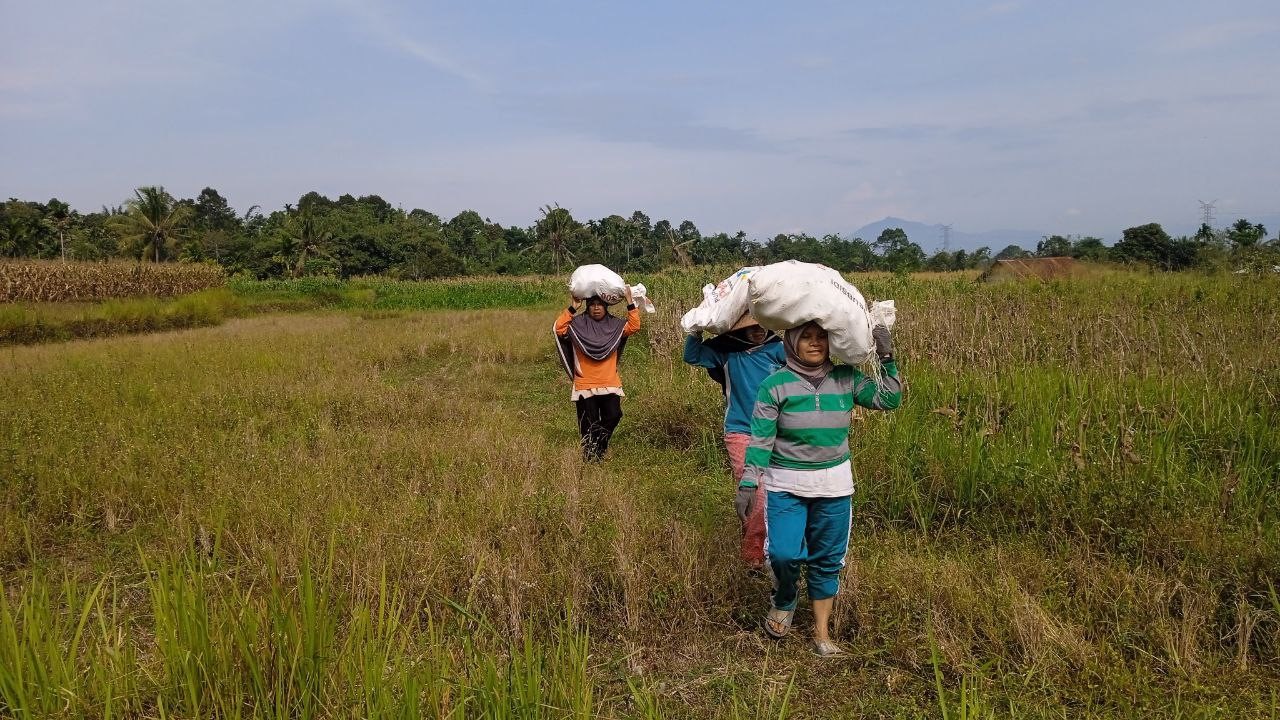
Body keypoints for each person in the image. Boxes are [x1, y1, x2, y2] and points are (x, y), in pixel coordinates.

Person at [741, 321, 901, 656]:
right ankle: (785, 596)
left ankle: (822, 632)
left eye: (822, 338)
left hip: (834, 486)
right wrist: (749, 480)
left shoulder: (846, 379)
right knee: (784, 554)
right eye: (807, 338)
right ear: (793, 342)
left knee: (827, 559)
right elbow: (761, 438)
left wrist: (886, 357)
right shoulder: (775, 385)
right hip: (786, 484)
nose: (815, 344)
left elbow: (888, 399)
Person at [683, 315, 786, 569]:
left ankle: (770, 547)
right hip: (740, 430)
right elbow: (692, 355)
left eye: (761, 325)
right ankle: (753, 558)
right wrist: (695, 330)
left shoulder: (777, 348)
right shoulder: (726, 352)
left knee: (776, 491)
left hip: (777, 430)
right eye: (750, 328)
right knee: (756, 494)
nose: (758, 331)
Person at [554, 287, 641, 461]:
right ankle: (591, 458)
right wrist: (573, 307)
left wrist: (629, 301)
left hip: (609, 382)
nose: (596, 308)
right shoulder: (577, 325)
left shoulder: (615, 326)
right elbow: (559, 328)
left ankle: (598, 446)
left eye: (600, 304)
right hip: (586, 384)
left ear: (606, 306)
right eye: (592, 304)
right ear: (587, 307)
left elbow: (634, 326)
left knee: (614, 415)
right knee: (588, 423)